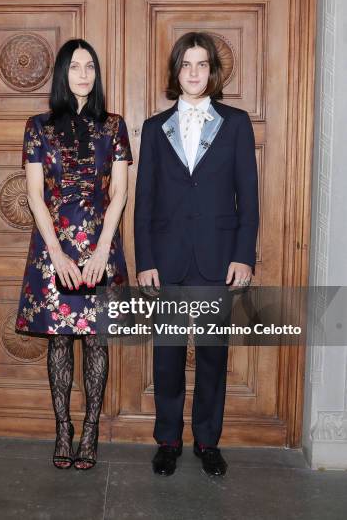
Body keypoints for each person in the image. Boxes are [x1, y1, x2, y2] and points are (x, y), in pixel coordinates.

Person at [134, 32, 259, 477]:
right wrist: (145, 260)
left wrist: (244, 255)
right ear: (175, 71)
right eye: (186, 64)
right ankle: (167, 440)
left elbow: (249, 197)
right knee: (166, 355)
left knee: (212, 354)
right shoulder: (153, 128)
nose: (193, 72)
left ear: (213, 72)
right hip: (166, 260)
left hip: (217, 258)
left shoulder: (237, 123)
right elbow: (143, 200)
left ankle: (208, 441)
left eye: (201, 65)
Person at [16, 39, 133, 470]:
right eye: (75, 67)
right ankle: (63, 429)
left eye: (90, 67)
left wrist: (103, 247)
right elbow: (33, 195)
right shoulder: (38, 126)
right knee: (60, 340)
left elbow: (119, 192)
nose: (84, 74)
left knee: (97, 341)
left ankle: (91, 432)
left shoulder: (114, 125)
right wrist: (57, 254)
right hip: (54, 251)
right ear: (63, 73)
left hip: (101, 250)